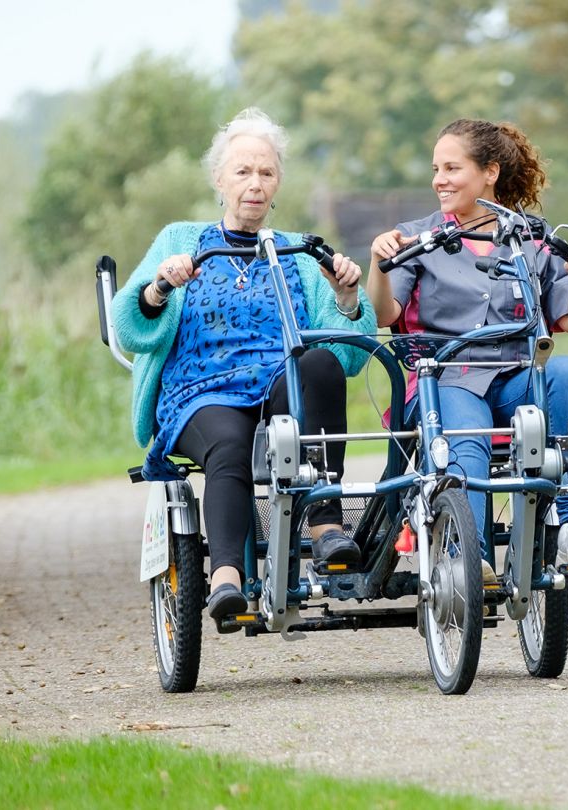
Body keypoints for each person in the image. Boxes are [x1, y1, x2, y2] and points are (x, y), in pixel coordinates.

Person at [112, 108, 377, 632]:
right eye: (242, 172)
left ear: (278, 183)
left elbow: (349, 352)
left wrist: (348, 296)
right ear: (219, 180)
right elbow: (131, 326)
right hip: (201, 390)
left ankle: (326, 524)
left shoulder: (297, 250)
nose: (254, 184)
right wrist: (160, 286)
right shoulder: (180, 239)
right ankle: (227, 577)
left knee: (319, 362)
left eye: (266, 173)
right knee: (230, 445)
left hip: (280, 384)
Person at [365, 118, 568, 576]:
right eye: (436, 168)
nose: (439, 179)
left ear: (489, 173)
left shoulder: (532, 239)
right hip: (442, 381)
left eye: (452, 168)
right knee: (465, 428)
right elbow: (383, 315)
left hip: (514, 379)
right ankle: (470, 561)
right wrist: (379, 268)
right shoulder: (416, 238)